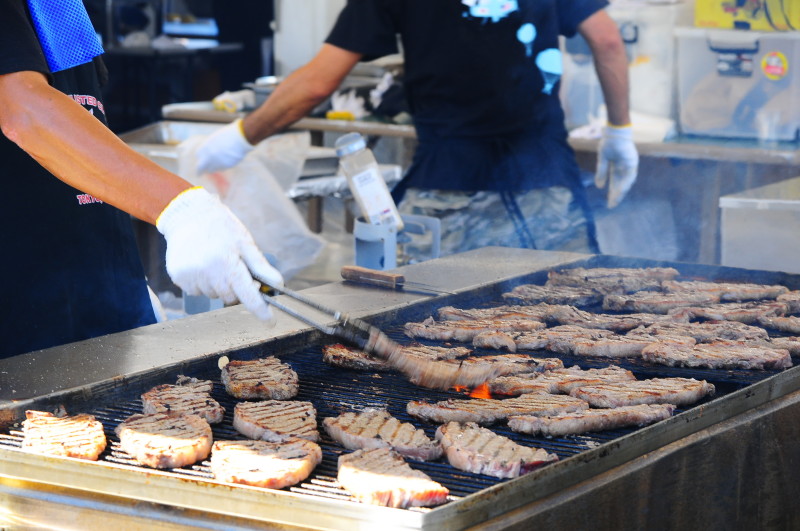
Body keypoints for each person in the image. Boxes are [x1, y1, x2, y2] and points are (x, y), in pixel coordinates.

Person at [195, 0, 638, 255]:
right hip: (547, 183)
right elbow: (607, 40)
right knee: (573, 330)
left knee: (434, 342)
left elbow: (317, 83)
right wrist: (619, 131)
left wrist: (239, 138)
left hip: (447, 189)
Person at [0, 0, 283, 359]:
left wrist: (120, 271)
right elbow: (24, 111)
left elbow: (79, 118)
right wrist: (179, 207)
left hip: (94, 284)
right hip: (18, 313)